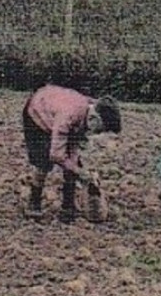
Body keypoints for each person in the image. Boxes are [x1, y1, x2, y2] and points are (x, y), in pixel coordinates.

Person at [22, 84, 121, 222]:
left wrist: (78, 170)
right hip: (38, 113)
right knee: (43, 161)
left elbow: (72, 149)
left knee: (73, 164)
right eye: (99, 130)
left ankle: (68, 206)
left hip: (57, 110)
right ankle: (34, 203)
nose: (97, 134)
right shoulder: (69, 115)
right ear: (94, 119)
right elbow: (56, 154)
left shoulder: (86, 114)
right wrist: (80, 173)